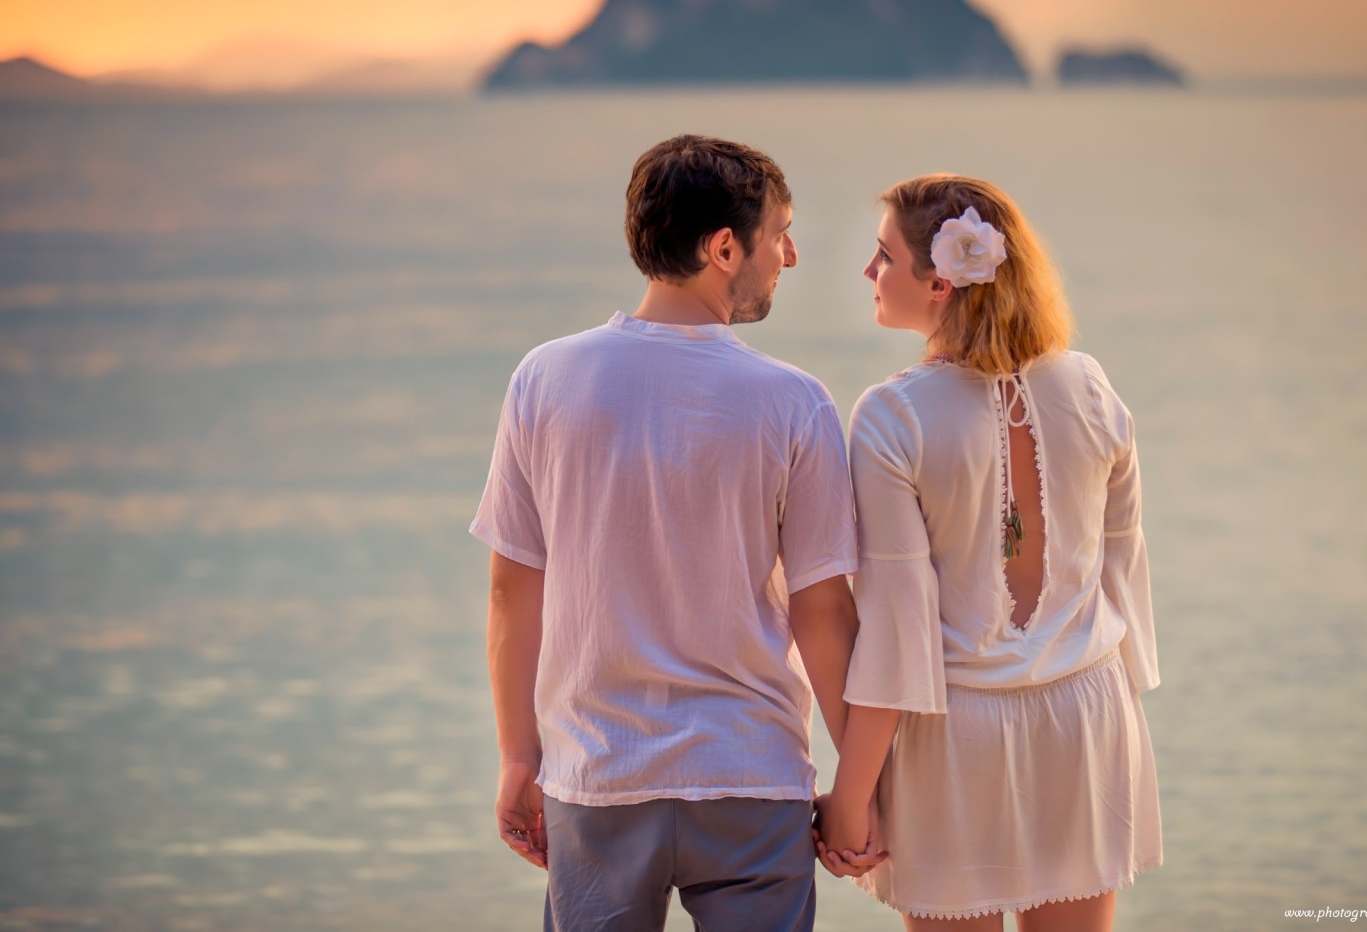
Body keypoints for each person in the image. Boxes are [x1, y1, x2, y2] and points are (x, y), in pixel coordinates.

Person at [470, 134, 866, 931]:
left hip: (600, 777)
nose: (788, 256)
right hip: (751, 780)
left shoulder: (544, 378)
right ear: (724, 249)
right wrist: (863, 792)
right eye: (779, 233)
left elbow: (513, 590)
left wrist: (518, 755)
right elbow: (823, 612)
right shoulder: (795, 402)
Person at [815, 175, 1163, 931]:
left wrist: (851, 796)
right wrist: (1126, 699)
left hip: (954, 734)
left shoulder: (892, 416)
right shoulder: (1089, 384)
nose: (870, 271)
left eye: (884, 257)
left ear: (939, 283)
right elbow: (1122, 562)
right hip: (1087, 714)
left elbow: (898, 628)